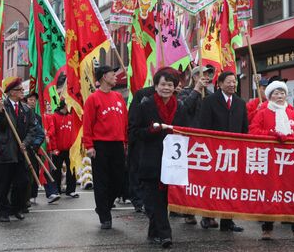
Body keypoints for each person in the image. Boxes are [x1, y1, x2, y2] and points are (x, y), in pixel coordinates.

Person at [131, 68, 191, 248]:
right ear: (155, 86)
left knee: (163, 199)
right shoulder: (145, 105)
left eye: (170, 85)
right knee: (155, 198)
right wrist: (151, 130)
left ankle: (153, 232)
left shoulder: (180, 106)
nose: (166, 88)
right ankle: (166, 235)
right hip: (151, 159)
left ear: (175, 87)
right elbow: (134, 132)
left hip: (172, 161)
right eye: (163, 84)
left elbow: (185, 131)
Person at [249, 80, 294, 243]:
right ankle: (267, 229)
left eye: (282, 93)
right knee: (270, 194)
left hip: (291, 162)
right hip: (270, 161)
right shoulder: (262, 112)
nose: (279, 96)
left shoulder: (292, 113)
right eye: (276, 93)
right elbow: (254, 131)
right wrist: (272, 134)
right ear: (270, 96)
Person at [198, 71, 247, 232]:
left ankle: (228, 221)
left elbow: (244, 129)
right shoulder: (209, 101)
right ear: (219, 83)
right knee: (212, 185)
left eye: (235, 82)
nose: (233, 85)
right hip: (214, 151)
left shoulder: (240, 103)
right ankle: (207, 216)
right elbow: (203, 127)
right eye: (229, 82)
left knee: (230, 186)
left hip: (233, 152)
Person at [83, 65, 128, 230]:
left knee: (118, 180)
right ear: (103, 77)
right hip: (100, 145)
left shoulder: (118, 97)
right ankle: (105, 216)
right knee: (101, 181)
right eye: (112, 74)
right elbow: (87, 124)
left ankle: (103, 206)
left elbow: (125, 122)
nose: (115, 77)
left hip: (118, 144)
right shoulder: (93, 99)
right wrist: (89, 145)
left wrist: (125, 142)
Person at [0, 77, 40, 223]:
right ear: (12, 92)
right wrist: (0, 113)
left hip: (21, 151)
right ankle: (2, 211)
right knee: (3, 184)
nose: (22, 92)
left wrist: (25, 143)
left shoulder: (26, 109)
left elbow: (33, 128)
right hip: (6, 151)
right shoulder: (2, 106)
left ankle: (16, 208)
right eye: (20, 90)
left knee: (23, 182)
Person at [25, 91, 59, 205]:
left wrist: (36, 144)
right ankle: (27, 195)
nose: (32, 102)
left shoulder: (38, 117)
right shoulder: (22, 114)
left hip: (36, 148)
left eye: (34, 100)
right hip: (23, 148)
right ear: (26, 101)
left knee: (42, 169)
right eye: (30, 100)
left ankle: (41, 194)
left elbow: (40, 133)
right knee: (28, 172)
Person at [52, 102, 78, 198]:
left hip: (70, 149)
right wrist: (54, 148)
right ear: (64, 106)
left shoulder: (70, 117)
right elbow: (53, 133)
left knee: (72, 169)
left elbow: (74, 133)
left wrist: (74, 147)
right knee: (56, 171)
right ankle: (57, 190)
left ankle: (71, 190)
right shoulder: (54, 117)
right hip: (58, 149)